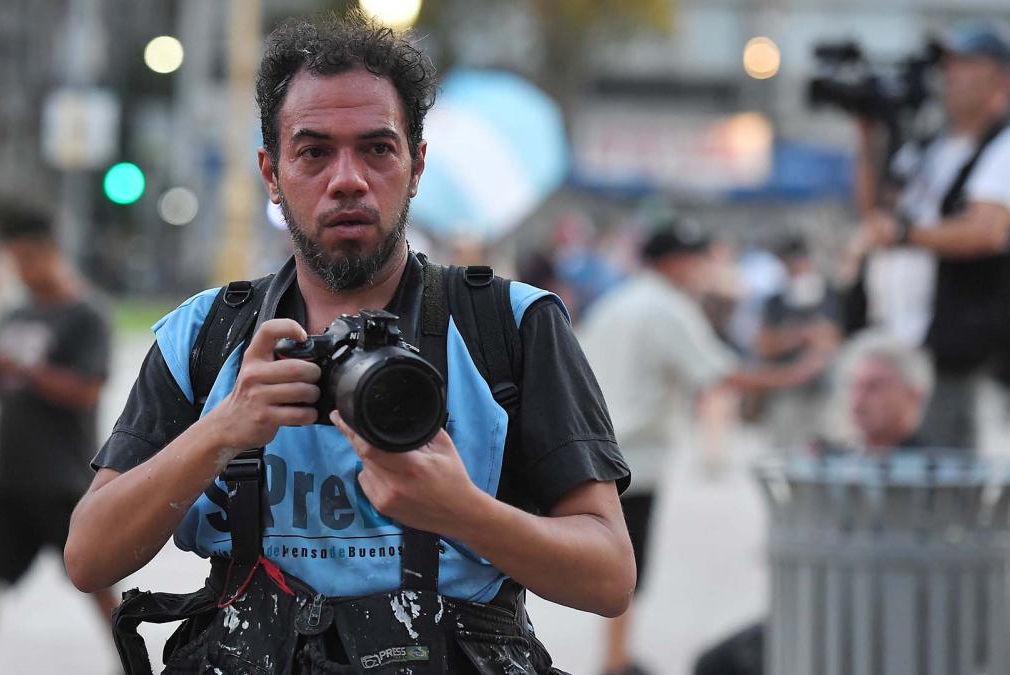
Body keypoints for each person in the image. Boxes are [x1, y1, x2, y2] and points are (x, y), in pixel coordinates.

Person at [65, 12, 633, 674]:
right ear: (270, 173)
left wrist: (464, 512)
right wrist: (221, 430)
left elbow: (609, 575)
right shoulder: (206, 334)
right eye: (313, 152)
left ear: (416, 165)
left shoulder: (509, 324)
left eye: (376, 148)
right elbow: (88, 556)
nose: (347, 179)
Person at [578, 219, 832, 675]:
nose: (701, 269)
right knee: (627, 573)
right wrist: (800, 371)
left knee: (615, 566)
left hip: (596, 447)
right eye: (695, 260)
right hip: (635, 457)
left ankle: (616, 657)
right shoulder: (666, 308)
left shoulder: (617, 301)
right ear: (673, 263)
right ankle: (614, 663)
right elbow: (720, 373)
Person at [846, 18, 1010, 451]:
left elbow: (985, 230)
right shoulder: (929, 148)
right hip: (903, 348)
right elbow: (875, 217)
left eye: (965, 64)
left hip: (962, 357)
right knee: (898, 486)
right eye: (948, 65)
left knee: (948, 485)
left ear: (1000, 77)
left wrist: (904, 235)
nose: (950, 76)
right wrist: (868, 135)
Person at [692, 331, 934, 675]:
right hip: (821, 614)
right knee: (715, 663)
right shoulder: (837, 457)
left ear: (913, 395)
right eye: (855, 386)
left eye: (875, 387)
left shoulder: (934, 473)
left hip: (876, 624)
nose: (858, 400)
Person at [0, 206, 115, 675]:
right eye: (14, 260)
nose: (21, 270)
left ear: (50, 254)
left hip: (63, 480)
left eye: (27, 258)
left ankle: (131, 663)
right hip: (8, 478)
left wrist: (18, 369)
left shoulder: (85, 314)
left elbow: (87, 389)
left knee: (97, 584)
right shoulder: (14, 312)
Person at [756, 235, 842, 450]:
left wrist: (819, 339)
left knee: (827, 446)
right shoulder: (776, 300)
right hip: (787, 387)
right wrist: (793, 336)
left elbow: (836, 337)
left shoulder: (829, 294)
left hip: (825, 388)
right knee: (784, 449)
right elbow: (764, 345)